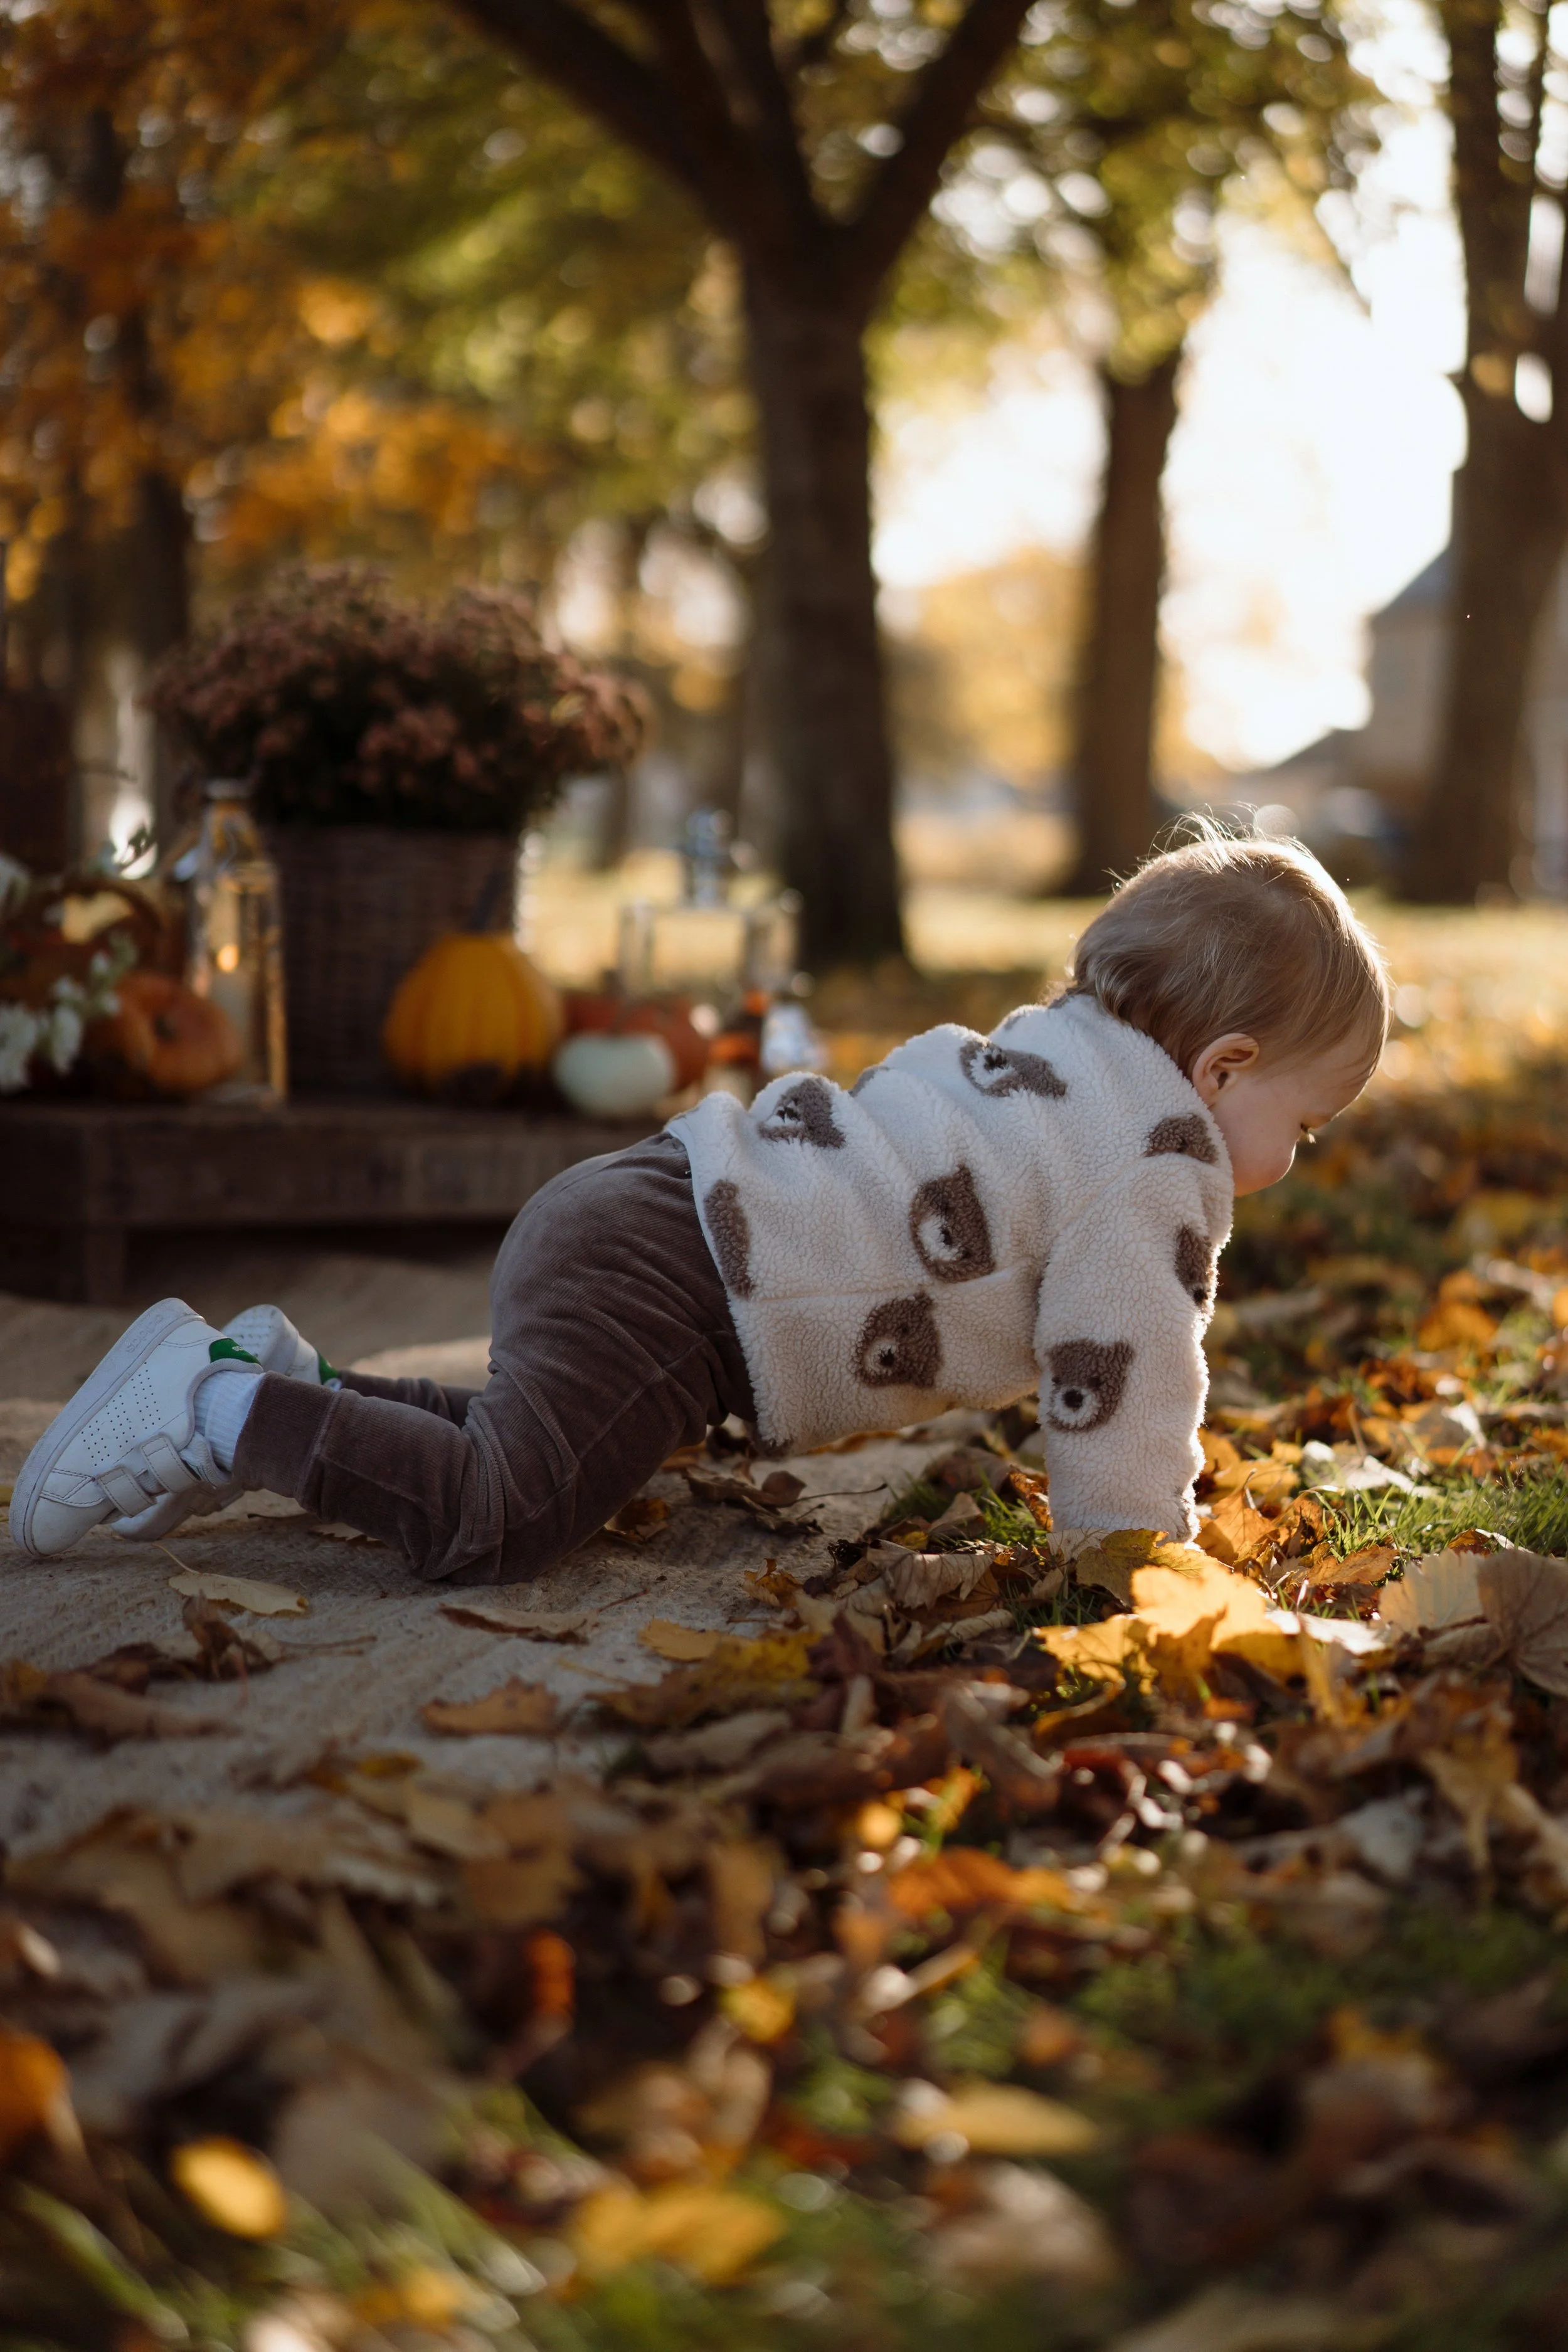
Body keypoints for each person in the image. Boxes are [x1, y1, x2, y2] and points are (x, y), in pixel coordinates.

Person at [13, 830, 1389, 1582]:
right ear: (1224, 1070)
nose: (1293, 1157)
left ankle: (291, 1377)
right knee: (505, 1513)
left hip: (645, 1210)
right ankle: (214, 1406)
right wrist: (1129, 1561)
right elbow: (1124, 1377)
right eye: (1303, 1125)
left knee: (520, 1430)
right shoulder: (1157, 1156)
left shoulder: (1051, 1056)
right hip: (686, 1287)